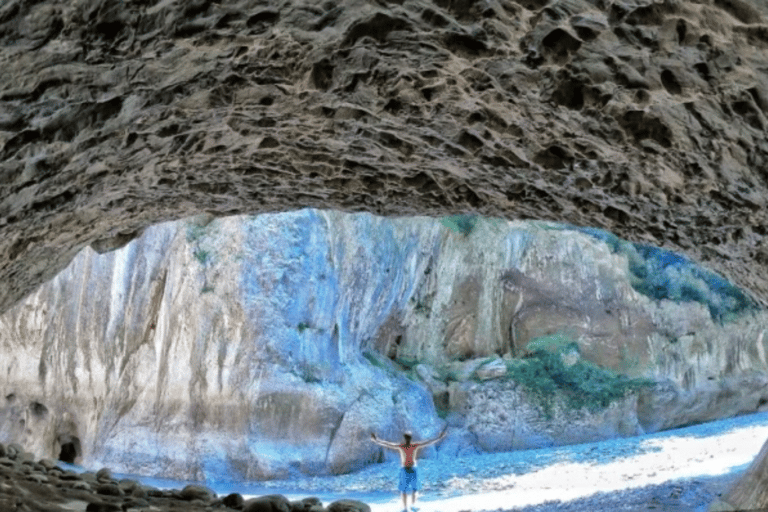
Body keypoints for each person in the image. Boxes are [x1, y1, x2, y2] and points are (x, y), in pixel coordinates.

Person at [371, 428, 447, 512]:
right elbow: (427, 442)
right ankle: (409, 507)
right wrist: (439, 437)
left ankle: (407, 507)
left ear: (406, 438)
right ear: (409, 438)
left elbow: (388, 444)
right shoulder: (411, 446)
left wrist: (376, 440)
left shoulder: (404, 446)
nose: (407, 439)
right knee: (411, 489)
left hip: (407, 469)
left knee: (407, 489)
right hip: (411, 469)